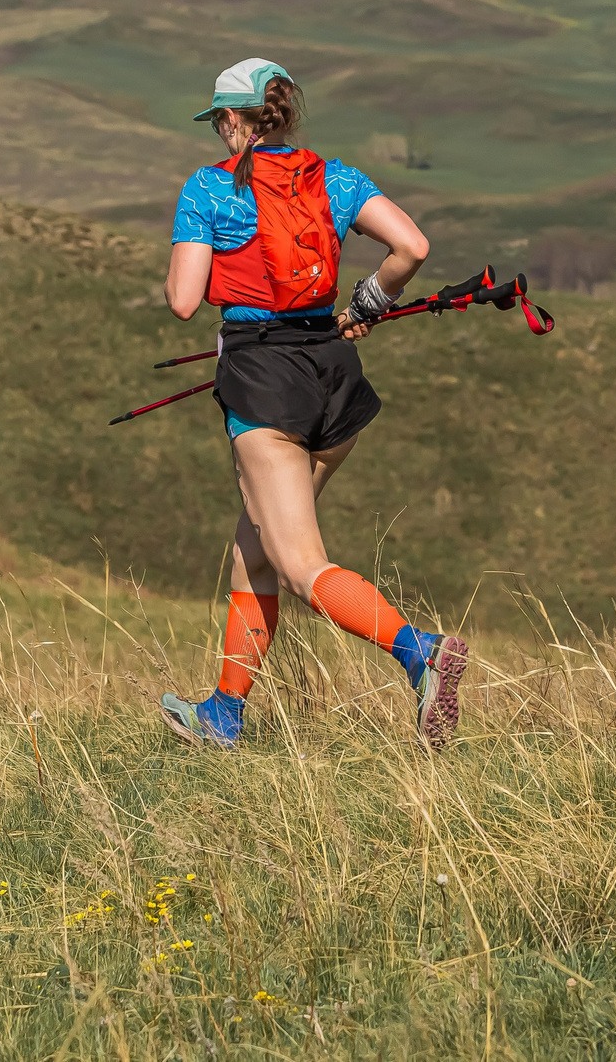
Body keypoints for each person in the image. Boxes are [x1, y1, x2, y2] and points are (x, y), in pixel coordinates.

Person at [156, 57, 466, 752]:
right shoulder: (336, 179)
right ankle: (224, 714)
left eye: (218, 122)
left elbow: (182, 301)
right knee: (255, 547)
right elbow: (412, 246)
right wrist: (371, 299)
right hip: (335, 379)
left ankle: (420, 652)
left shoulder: (209, 187)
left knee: (299, 564)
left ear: (232, 120)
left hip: (265, 385)